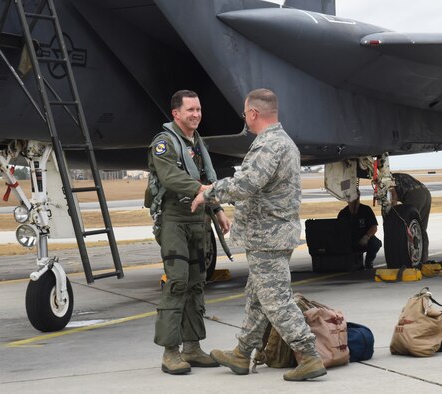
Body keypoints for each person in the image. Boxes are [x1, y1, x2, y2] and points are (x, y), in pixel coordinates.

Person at [191, 88, 326, 382]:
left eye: (245, 114)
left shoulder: (269, 145)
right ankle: (242, 353)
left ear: (253, 114)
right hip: (273, 233)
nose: (245, 120)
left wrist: (209, 194)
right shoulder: (282, 141)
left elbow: (247, 183)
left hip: (267, 236)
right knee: (257, 296)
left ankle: (309, 356)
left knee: (276, 300)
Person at [148, 89, 230, 375]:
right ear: (176, 114)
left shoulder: (196, 143)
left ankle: (192, 348)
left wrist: (217, 211)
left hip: (198, 220)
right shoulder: (164, 143)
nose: (196, 114)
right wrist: (203, 191)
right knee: (178, 283)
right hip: (175, 220)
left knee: (197, 284)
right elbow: (170, 176)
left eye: (198, 109)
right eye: (190, 110)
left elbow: (207, 176)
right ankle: (171, 352)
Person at [390, 172, 432, 263]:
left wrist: (391, 214)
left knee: (407, 228)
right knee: (421, 229)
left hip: (414, 195)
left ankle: (410, 259)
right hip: (426, 193)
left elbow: (393, 197)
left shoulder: (387, 180)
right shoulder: (399, 175)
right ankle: (424, 259)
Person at [337, 190, 382, 270]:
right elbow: (338, 230)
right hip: (349, 241)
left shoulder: (366, 210)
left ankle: (368, 261)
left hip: (364, 239)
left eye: (356, 198)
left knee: (376, 243)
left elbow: (374, 227)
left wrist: (367, 237)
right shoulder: (343, 213)